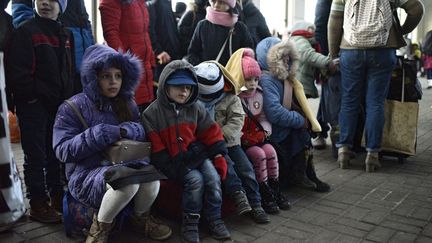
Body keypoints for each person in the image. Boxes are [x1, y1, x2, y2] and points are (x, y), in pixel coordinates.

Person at [53, 44, 172, 242]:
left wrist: (127, 130)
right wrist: (98, 134)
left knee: (152, 180)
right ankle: (98, 230)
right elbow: (62, 150)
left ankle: (140, 219)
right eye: (106, 76)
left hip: (124, 165)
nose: (113, 82)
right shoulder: (71, 107)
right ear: (93, 77)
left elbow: (140, 130)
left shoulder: (127, 102)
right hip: (85, 172)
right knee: (127, 185)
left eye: (118, 76)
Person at [328, 0, 424, 172]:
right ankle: (372, 154)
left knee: (349, 101)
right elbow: (416, 9)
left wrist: (333, 54)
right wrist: (399, 30)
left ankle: (343, 150)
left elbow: (334, 20)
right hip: (383, 50)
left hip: (351, 49)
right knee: (376, 103)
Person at [141, 60, 231, 243]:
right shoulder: (151, 114)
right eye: (178, 86)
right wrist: (173, 169)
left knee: (213, 179)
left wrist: (219, 155)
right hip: (173, 161)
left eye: (189, 88)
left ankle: (214, 219)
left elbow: (211, 132)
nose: (184, 91)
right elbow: (157, 150)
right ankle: (190, 222)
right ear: (166, 85)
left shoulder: (196, 108)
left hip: (197, 155)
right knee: (196, 181)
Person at [5, 0, 75, 223]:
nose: (45, 2)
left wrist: (67, 97)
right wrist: (34, 96)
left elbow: (68, 69)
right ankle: (37, 202)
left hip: (57, 104)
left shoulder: (66, 34)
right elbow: (18, 73)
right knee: (35, 156)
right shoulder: (25, 32)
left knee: (55, 152)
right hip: (33, 105)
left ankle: (56, 195)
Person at [195, 61, 271, 223]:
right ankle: (238, 194)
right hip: (210, 148)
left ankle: (256, 204)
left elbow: (237, 120)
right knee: (227, 169)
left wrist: (218, 137)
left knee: (246, 169)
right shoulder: (194, 103)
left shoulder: (231, 98)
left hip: (231, 143)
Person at [256, 37, 331, 193]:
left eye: (288, 56)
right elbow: (275, 113)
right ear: (270, 59)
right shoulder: (267, 80)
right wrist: (299, 120)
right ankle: (300, 175)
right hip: (273, 131)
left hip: (283, 126)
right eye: (282, 57)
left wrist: (304, 119)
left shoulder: (283, 78)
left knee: (304, 134)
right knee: (301, 131)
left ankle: (305, 173)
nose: (287, 60)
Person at [227, 48, 291, 213]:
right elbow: (233, 123)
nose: (253, 84)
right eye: (248, 79)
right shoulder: (234, 98)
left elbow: (263, 116)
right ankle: (263, 191)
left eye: (256, 79)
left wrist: (266, 130)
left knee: (270, 152)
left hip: (258, 136)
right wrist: (243, 136)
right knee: (259, 155)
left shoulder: (259, 95)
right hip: (244, 141)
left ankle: (274, 188)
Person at [11, 0, 95, 91]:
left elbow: (84, 19)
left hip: (77, 62)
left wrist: (91, 50)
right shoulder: (27, 32)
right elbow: (21, 11)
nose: (45, 2)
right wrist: (39, 33)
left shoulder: (68, 34)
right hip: (43, 48)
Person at [99, 0, 155, 111]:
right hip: (129, 69)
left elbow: (144, 34)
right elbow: (111, 34)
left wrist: (151, 60)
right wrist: (124, 65)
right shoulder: (112, 2)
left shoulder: (140, 2)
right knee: (130, 114)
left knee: (146, 117)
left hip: (145, 68)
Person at [289, 21, 336, 149]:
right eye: (311, 30)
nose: (313, 33)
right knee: (301, 113)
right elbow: (309, 55)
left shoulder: (297, 41)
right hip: (299, 85)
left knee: (300, 112)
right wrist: (328, 62)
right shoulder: (300, 41)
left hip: (298, 84)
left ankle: (303, 139)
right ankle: (302, 141)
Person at [186, 0, 254, 66]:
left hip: (232, 75)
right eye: (213, 1)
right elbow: (192, 52)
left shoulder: (240, 27)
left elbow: (248, 54)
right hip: (206, 74)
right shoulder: (202, 25)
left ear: (230, 4)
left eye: (221, 2)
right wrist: (201, 68)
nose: (216, 5)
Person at [147, 0, 181, 82]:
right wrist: (158, 51)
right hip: (162, 56)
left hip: (172, 53)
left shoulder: (167, 2)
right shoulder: (153, 3)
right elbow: (149, 29)